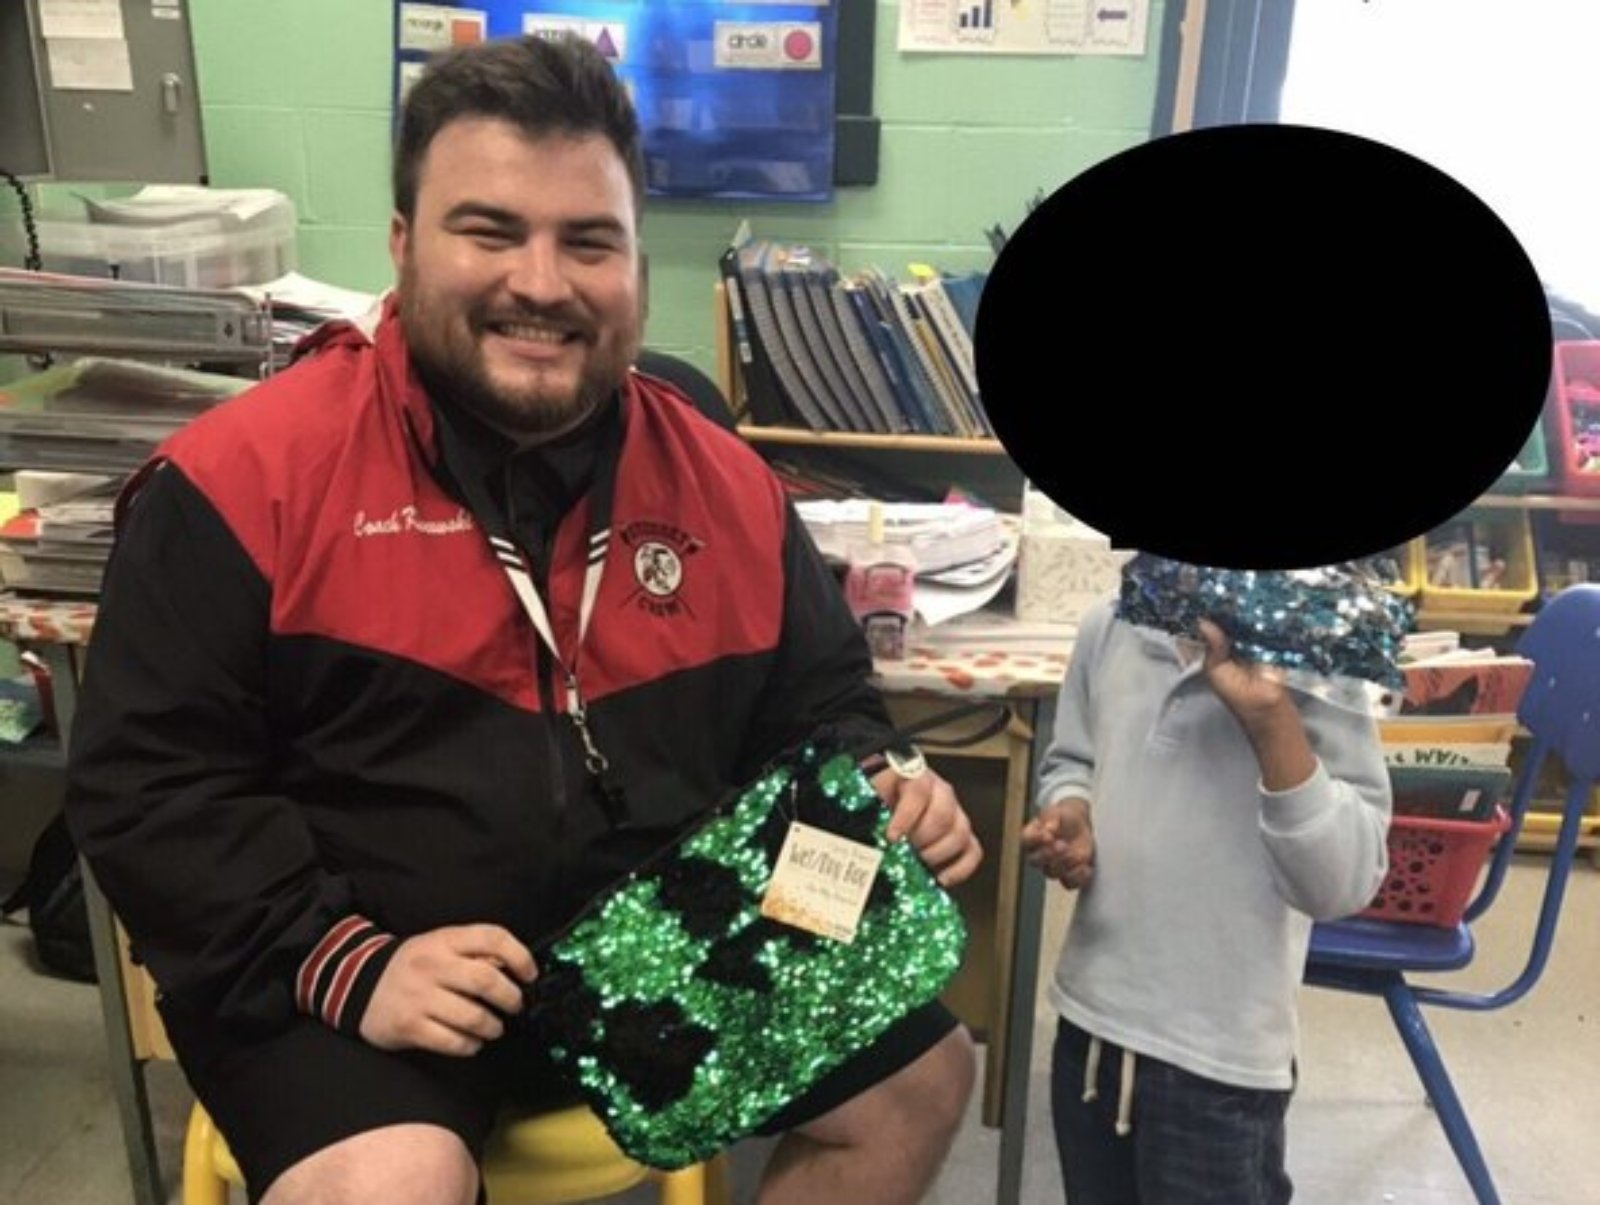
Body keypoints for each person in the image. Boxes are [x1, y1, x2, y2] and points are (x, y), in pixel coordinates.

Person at [64, 34, 981, 1205]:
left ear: (637, 266)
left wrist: (881, 777)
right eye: (489, 231)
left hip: (651, 950)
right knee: (395, 1179)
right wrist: (346, 963)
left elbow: (821, 705)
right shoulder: (243, 480)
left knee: (922, 1078)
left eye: (587, 241)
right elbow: (146, 786)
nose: (541, 283)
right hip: (344, 973)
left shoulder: (727, 482)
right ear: (402, 246)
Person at [1021, 589, 1392, 1204]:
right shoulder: (1111, 627)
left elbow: (1341, 883)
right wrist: (1070, 810)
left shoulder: (1326, 660)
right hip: (1091, 1026)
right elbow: (1073, 759)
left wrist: (1272, 719)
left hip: (1222, 1062)